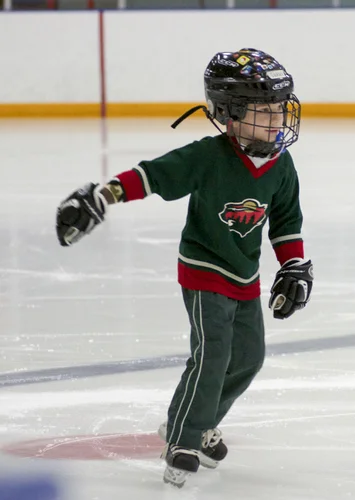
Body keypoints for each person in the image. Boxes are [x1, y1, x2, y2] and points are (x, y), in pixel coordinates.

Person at [54, 48, 314, 488]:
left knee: (248, 359)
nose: (277, 120)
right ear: (230, 115)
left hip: (245, 275)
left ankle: (197, 421)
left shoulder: (281, 165)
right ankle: (184, 439)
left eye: (279, 109)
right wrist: (103, 195)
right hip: (204, 270)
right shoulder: (208, 156)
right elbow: (153, 175)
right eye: (264, 111)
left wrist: (293, 267)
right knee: (212, 356)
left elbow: (286, 222)